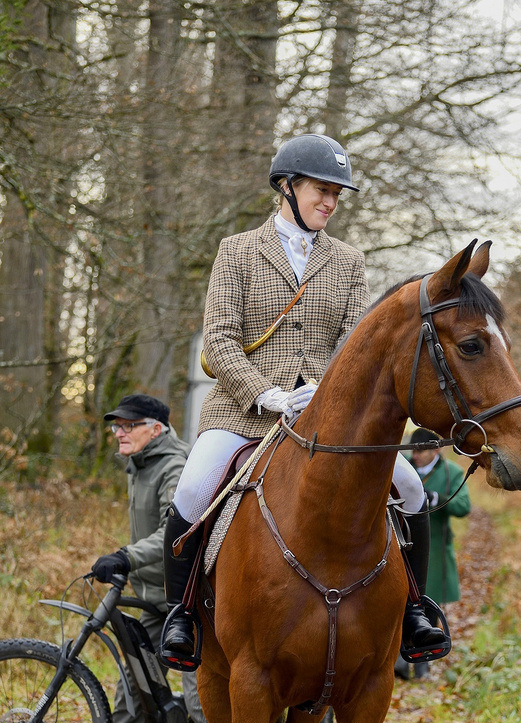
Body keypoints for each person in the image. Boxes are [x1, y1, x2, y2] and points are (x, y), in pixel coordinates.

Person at [159, 133, 445, 668]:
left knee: (408, 487)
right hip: (242, 412)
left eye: (337, 194)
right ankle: (181, 614)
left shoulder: (348, 261)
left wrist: (328, 391)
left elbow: (354, 345)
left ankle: (415, 609)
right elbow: (219, 340)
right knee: (193, 488)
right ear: (287, 187)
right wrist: (266, 394)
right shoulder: (238, 251)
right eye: (321, 190)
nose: (330, 203)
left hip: (323, 415)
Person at [59, 394, 229, 723]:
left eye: (129, 425)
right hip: (154, 595)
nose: (119, 431)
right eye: (116, 425)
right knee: (132, 685)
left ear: (155, 428)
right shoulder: (140, 464)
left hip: (190, 597)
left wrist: (126, 557)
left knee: (199, 698)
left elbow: (175, 533)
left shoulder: (174, 465)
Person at [408, 427, 471, 605]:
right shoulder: (405, 467)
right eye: (413, 450)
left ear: (435, 450)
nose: (415, 456)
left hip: (434, 548)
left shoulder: (452, 472)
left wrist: (436, 499)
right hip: (401, 545)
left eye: (419, 451)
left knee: (429, 604)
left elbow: (463, 506)